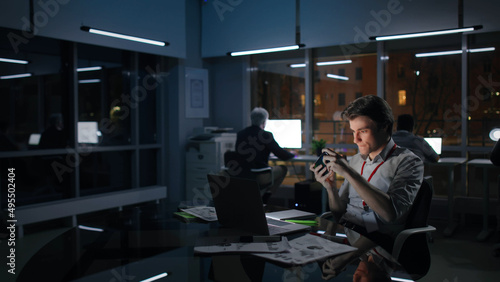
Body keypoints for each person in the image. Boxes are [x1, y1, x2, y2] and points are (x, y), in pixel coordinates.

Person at [311, 95, 424, 277]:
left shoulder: (408, 162)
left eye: (362, 131)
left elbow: (390, 214)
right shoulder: (356, 160)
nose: (355, 139)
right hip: (349, 237)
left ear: (385, 126)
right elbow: (339, 215)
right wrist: (330, 187)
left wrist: (349, 173)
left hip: (378, 244)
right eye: (353, 131)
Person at [235, 107, 295, 203]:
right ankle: (266, 196)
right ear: (264, 121)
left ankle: (260, 195)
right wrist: (293, 155)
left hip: (244, 175)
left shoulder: (241, 134)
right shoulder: (266, 135)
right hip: (260, 176)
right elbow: (282, 155)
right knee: (283, 169)